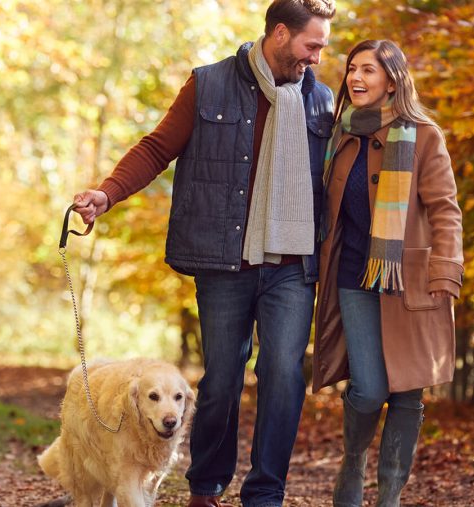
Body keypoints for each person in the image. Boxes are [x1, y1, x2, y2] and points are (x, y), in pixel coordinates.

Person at [72, 1, 336, 505]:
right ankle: (208, 484)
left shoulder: (320, 101)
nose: (318, 58)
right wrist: (107, 194)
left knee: (283, 373)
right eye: (312, 45)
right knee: (222, 378)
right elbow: (156, 148)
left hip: (292, 264)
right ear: (281, 34)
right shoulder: (209, 84)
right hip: (225, 260)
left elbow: (336, 182)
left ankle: (265, 493)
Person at [312, 39, 464, 507]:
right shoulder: (338, 134)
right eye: (352, 70)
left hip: (411, 282)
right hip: (354, 276)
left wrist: (446, 270)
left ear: (392, 79)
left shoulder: (423, 135)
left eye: (368, 71)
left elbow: (445, 209)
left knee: (406, 395)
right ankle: (353, 461)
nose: (355, 79)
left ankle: (389, 498)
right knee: (369, 388)